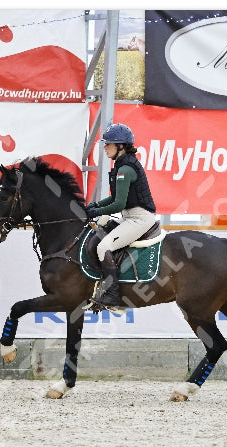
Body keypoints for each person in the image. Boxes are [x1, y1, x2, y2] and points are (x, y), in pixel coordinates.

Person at [85, 123, 157, 309]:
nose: (105, 147)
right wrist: (96, 205)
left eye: (109, 144)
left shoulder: (125, 169)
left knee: (103, 247)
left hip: (139, 219)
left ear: (121, 146)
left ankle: (112, 296)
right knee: (101, 228)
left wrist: (96, 211)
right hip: (129, 216)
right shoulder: (121, 165)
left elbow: (119, 204)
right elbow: (115, 197)